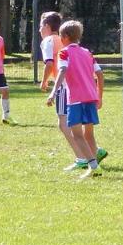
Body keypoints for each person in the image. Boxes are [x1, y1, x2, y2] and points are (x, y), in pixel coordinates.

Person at [39, 10, 105, 170]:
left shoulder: (63, 52)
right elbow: (100, 74)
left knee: (75, 132)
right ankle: (94, 158)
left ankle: (89, 163)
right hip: (91, 97)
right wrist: (99, 96)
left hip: (74, 97)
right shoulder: (87, 52)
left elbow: (60, 70)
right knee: (88, 133)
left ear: (65, 37)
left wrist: (53, 91)